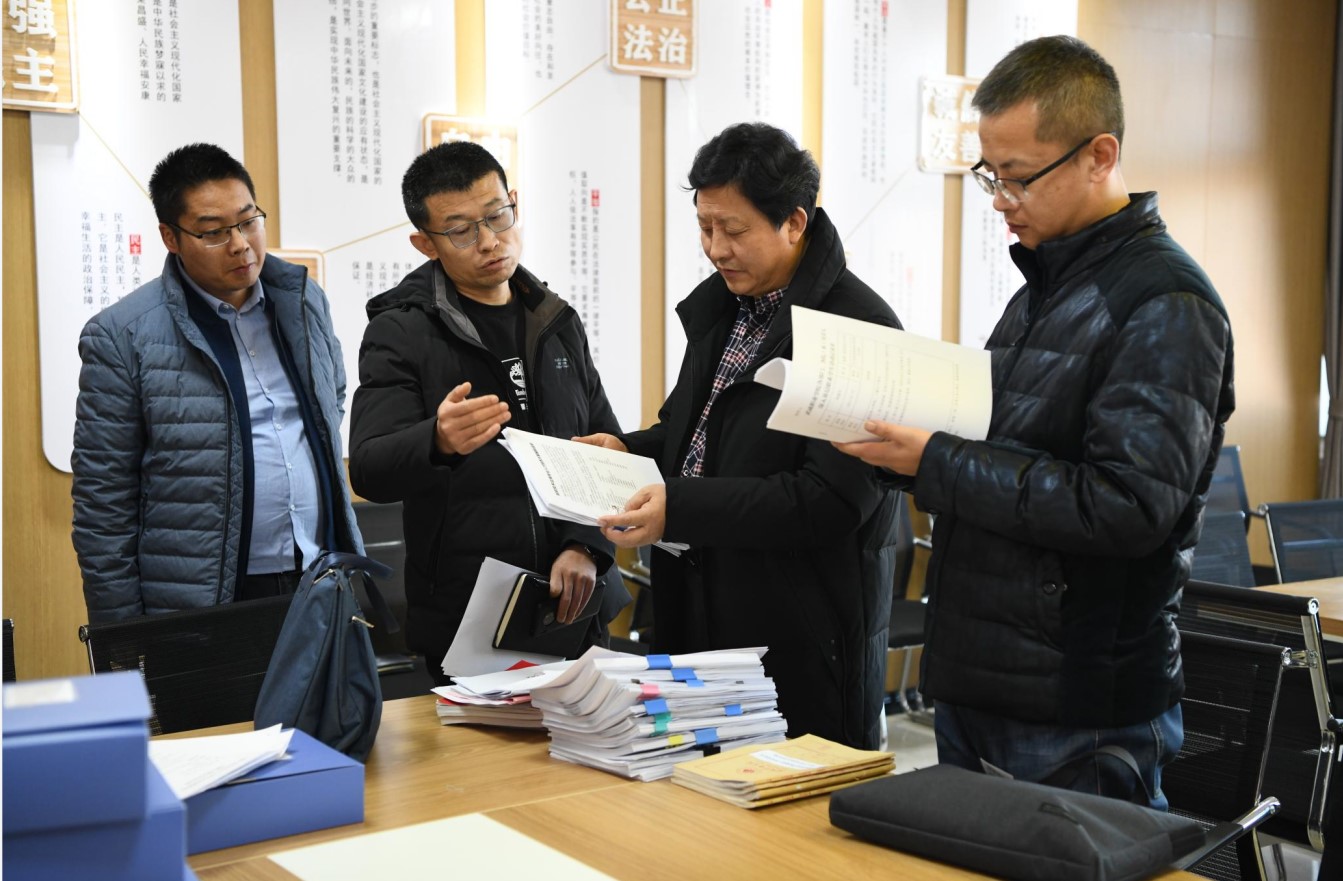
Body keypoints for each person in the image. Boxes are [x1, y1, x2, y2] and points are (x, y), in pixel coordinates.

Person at [836, 36, 1235, 808]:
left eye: (1017, 177)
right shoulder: (1043, 288)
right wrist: (899, 452)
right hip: (983, 675)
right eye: (989, 175)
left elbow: (1126, 506)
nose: (999, 198)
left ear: (1099, 155)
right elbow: (1005, 448)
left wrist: (936, 461)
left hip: (1073, 702)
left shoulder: (1163, 302)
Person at [577, 122, 902, 750]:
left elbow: (829, 500)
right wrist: (628, 451)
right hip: (699, 614)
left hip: (799, 637)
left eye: (733, 230)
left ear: (794, 222)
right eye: (705, 228)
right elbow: (693, 435)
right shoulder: (726, 309)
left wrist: (679, 507)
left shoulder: (856, 330)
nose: (716, 249)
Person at [348, 141, 626, 686]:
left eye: (498, 215)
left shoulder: (556, 320)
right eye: (460, 231)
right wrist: (436, 440)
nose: (490, 241)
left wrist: (586, 546)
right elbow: (371, 469)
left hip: (577, 607)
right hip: (468, 619)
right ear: (425, 243)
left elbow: (607, 450)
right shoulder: (401, 331)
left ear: (513, 201)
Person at [73, 143, 363, 623]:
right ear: (170, 237)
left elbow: (330, 400)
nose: (240, 244)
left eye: (249, 221)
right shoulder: (122, 335)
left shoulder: (303, 300)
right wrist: (123, 639)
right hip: (206, 599)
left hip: (322, 575)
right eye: (213, 232)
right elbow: (103, 505)